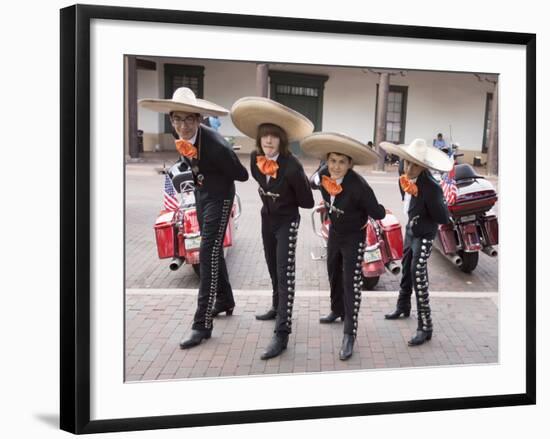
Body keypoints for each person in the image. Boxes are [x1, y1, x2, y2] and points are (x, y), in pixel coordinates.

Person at [139, 87, 249, 349]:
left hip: (221, 198)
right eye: (178, 119)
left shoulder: (217, 145)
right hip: (201, 196)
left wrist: (215, 167)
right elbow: (190, 162)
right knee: (210, 250)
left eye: (189, 119)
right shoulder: (183, 138)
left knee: (207, 252)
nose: (183, 125)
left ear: (199, 119)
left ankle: (201, 324)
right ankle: (225, 300)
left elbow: (241, 174)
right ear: (171, 120)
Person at [231, 97, 315, 360]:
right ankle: (276, 306)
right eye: (264, 136)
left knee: (284, 272)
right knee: (271, 265)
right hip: (267, 218)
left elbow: (307, 201)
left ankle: (282, 332)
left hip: (287, 221)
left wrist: (291, 188)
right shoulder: (255, 158)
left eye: (273, 137)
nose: (268, 141)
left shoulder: (292, 166)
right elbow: (260, 182)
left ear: (281, 140)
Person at [301, 133, 386, 360]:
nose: (336, 167)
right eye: (332, 161)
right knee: (332, 272)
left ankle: (350, 333)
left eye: (341, 162)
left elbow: (377, 212)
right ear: (327, 161)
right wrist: (318, 175)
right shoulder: (323, 174)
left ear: (350, 164)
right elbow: (310, 182)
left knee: (351, 283)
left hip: (354, 237)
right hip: (335, 233)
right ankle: (336, 310)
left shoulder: (360, 187)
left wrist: (379, 208)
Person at [380, 139, 452, 346]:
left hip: (425, 234)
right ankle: (403, 307)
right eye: (406, 163)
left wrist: (425, 213)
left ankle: (425, 327)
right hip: (411, 230)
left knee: (418, 275)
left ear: (424, 167)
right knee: (406, 267)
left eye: (414, 165)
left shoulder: (432, 188)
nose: (408, 168)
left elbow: (443, 218)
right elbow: (408, 202)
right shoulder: (404, 178)